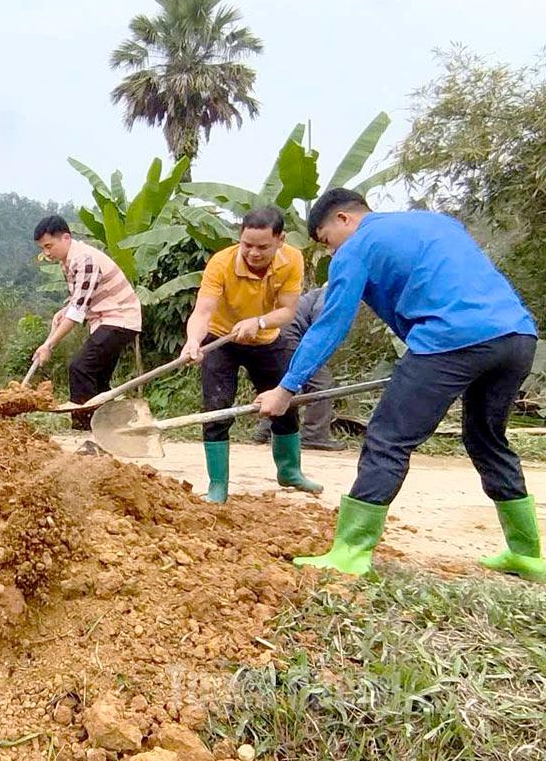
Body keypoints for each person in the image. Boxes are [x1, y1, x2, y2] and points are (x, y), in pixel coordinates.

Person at [257, 189, 543, 582]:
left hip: (448, 339)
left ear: (343, 219)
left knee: (388, 439)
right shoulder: (436, 222)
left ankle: (351, 552)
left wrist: (285, 388)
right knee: (486, 438)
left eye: (325, 240)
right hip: (516, 337)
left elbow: (331, 325)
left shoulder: (357, 247)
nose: (328, 250)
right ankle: (527, 554)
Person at [180, 206, 322, 503]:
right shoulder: (221, 263)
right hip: (221, 339)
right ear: (239, 238)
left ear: (280, 240)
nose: (253, 253)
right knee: (216, 409)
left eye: (262, 247)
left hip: (267, 338)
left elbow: (287, 311)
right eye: (247, 245)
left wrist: (258, 322)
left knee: (285, 402)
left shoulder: (292, 259)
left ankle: (289, 470)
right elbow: (203, 310)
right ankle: (218, 485)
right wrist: (193, 340)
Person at [32, 215, 141, 434]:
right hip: (104, 321)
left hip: (119, 319)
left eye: (49, 246)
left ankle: (84, 430)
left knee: (80, 368)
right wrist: (63, 311)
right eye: (43, 248)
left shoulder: (84, 259)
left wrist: (48, 345)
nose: (47, 253)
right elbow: (78, 301)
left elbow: (77, 312)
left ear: (65, 238)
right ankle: (113, 429)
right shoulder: (68, 263)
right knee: (98, 381)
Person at [251, 287, 347, 451]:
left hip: (280, 333)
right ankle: (314, 435)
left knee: (283, 386)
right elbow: (322, 321)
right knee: (320, 383)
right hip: (290, 335)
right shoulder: (336, 289)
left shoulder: (319, 292)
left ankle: (264, 431)